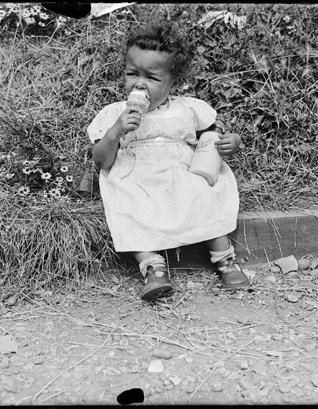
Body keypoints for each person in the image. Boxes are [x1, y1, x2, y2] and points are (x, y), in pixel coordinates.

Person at [87, 21, 249, 300]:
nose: (139, 83)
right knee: (130, 206)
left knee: (203, 193)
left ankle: (224, 258)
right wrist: (115, 131)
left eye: (152, 78)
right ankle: (152, 266)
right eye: (131, 74)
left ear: (174, 81)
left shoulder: (188, 108)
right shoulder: (113, 113)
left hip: (180, 171)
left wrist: (230, 142)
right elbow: (101, 161)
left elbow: (212, 135)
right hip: (136, 176)